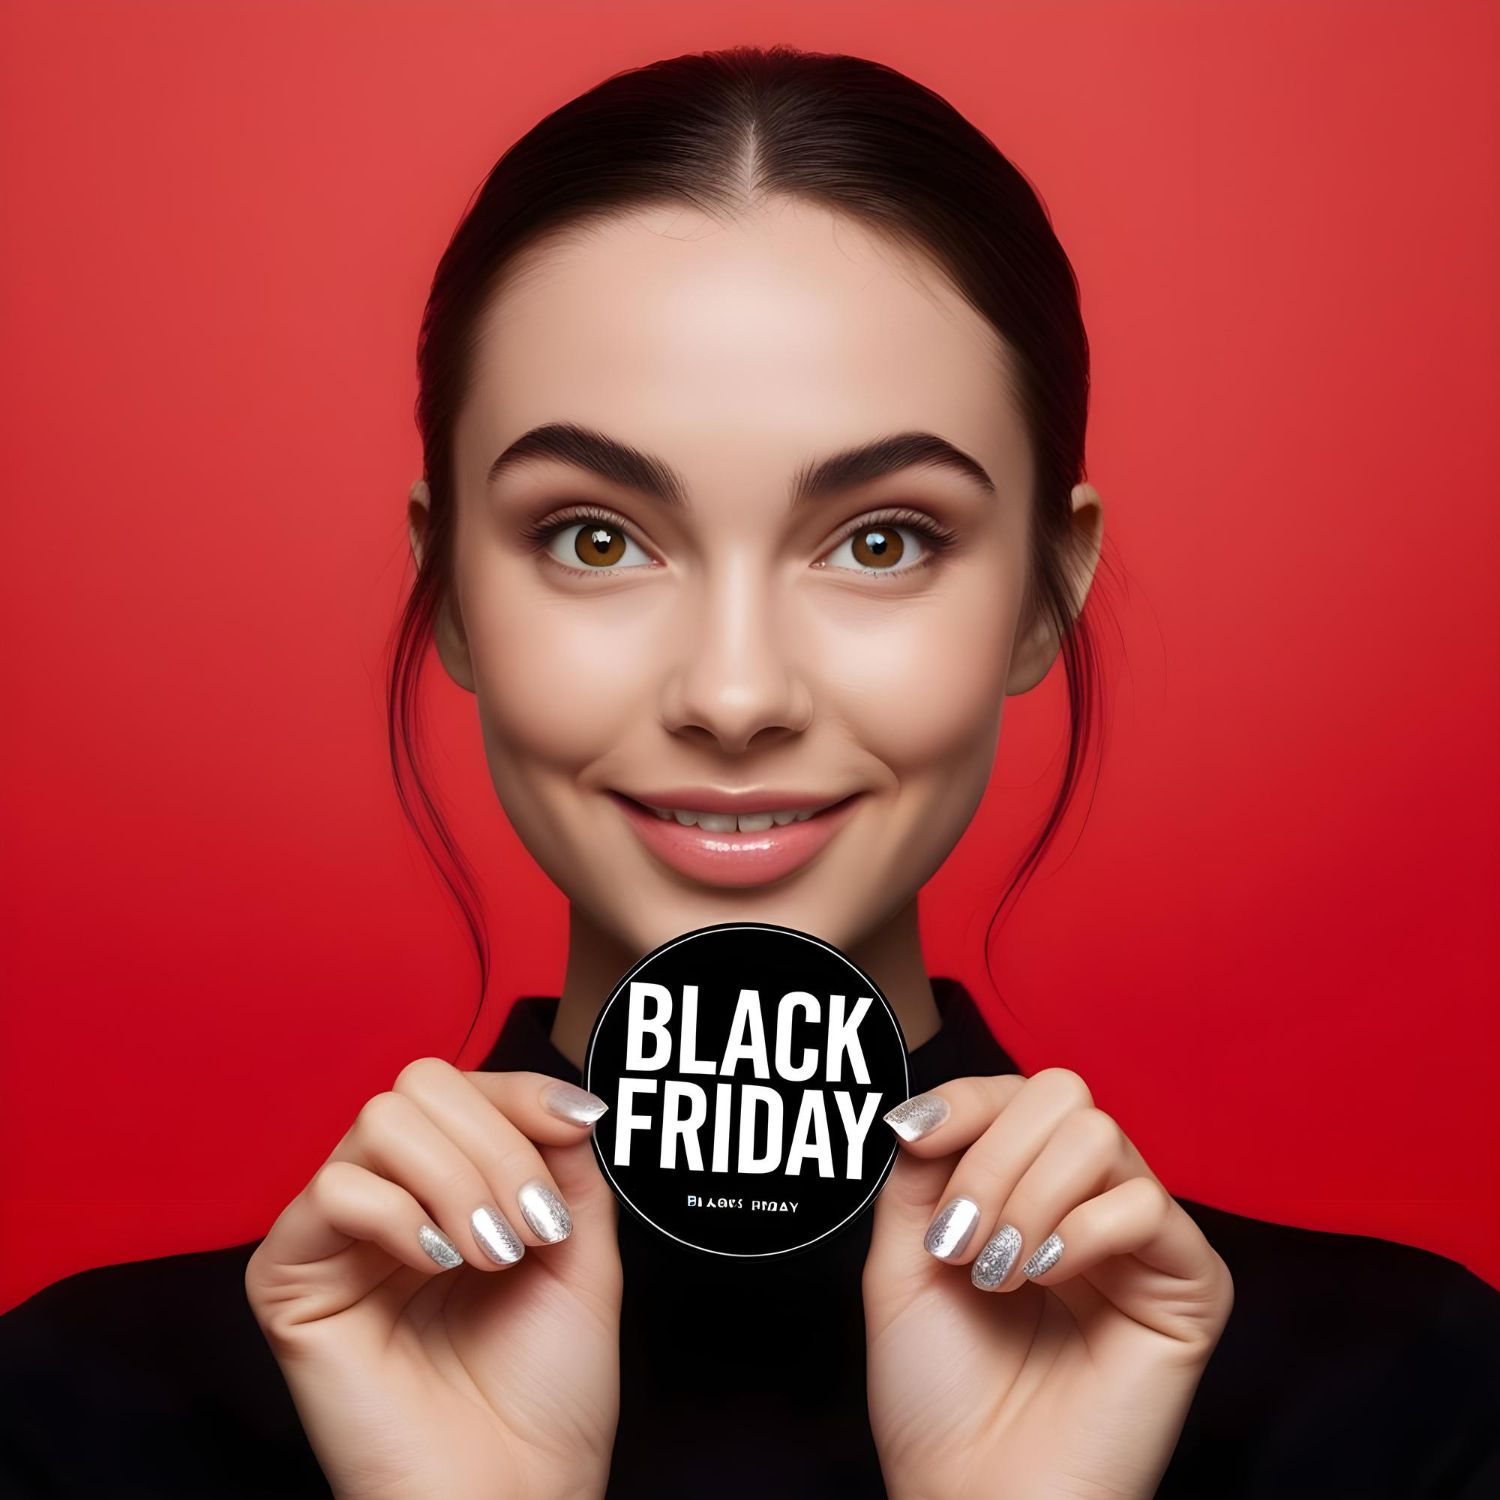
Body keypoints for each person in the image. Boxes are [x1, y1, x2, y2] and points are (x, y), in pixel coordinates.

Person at [2, 42, 1496, 1500]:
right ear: (448, 587)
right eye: (594, 536)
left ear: (1047, 592)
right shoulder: (85, 1422)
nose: (734, 694)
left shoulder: (1407, 1409)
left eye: (881, 539)